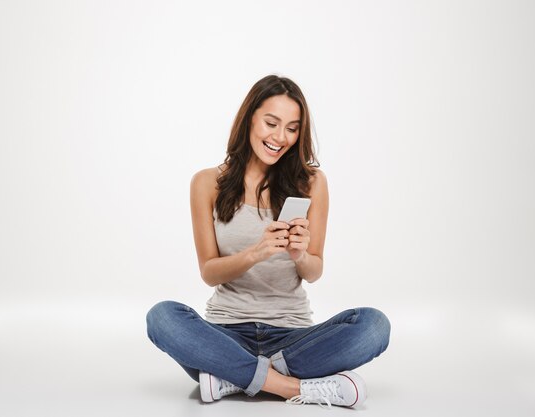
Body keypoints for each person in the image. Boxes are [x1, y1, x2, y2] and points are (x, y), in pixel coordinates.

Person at [146, 74, 390, 409]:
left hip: (292, 337)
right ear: (249, 119)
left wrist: (299, 254)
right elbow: (209, 272)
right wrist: (256, 253)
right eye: (271, 123)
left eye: (292, 128)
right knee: (162, 317)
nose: (280, 137)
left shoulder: (312, 183)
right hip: (225, 333)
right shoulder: (207, 183)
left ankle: (233, 378)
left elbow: (314, 270)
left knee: (374, 325)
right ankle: (293, 387)